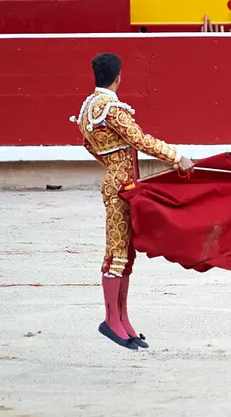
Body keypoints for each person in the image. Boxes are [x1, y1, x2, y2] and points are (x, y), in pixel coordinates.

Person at [70, 52, 195, 350]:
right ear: (118, 77)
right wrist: (177, 157)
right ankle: (111, 320)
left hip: (117, 180)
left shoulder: (88, 107)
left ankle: (123, 320)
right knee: (117, 252)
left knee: (124, 252)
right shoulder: (111, 109)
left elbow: (89, 144)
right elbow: (140, 139)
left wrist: (111, 166)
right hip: (122, 185)